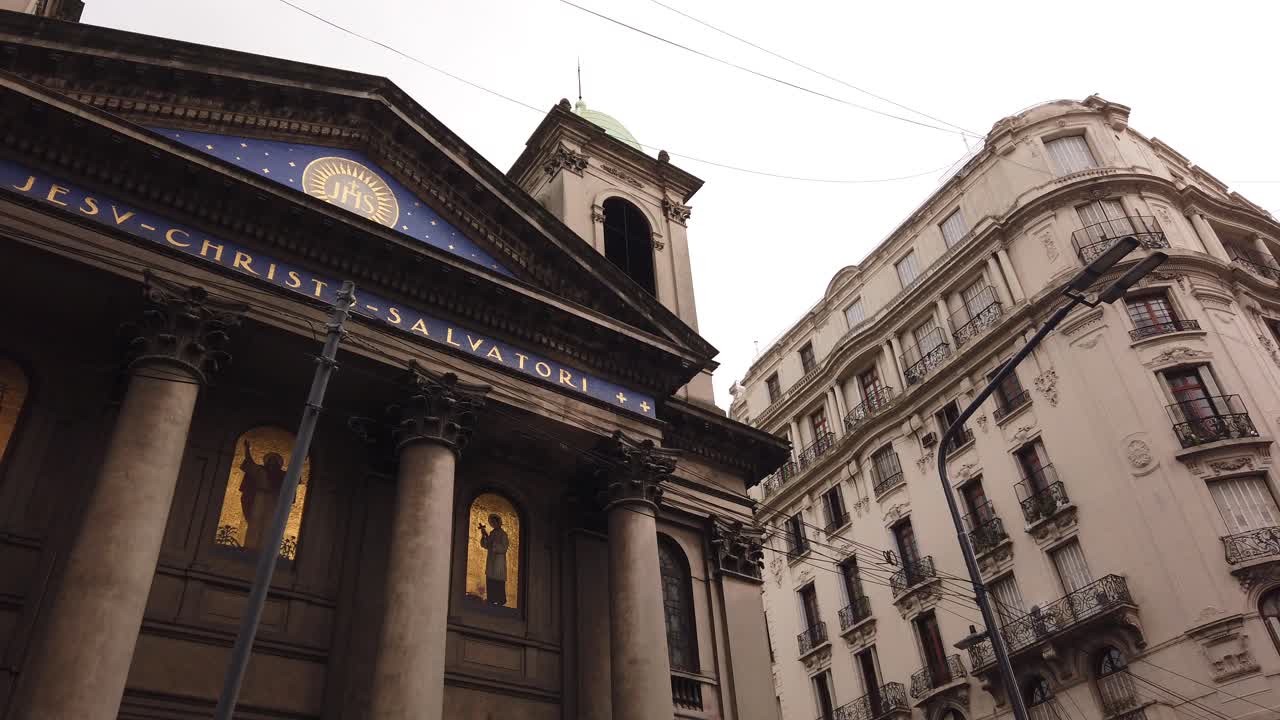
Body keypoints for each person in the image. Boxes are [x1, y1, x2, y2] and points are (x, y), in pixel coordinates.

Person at [240, 440, 287, 551]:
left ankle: (264, 549)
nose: (272, 464)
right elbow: (249, 463)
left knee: (270, 524)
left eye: (274, 462)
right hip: (259, 498)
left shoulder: (282, 475)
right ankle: (250, 547)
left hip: (274, 500)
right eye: (270, 461)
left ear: (278, 464)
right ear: (267, 462)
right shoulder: (260, 471)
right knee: (254, 521)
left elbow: (294, 476)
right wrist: (247, 449)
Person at [478, 513, 509, 606]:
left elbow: (504, 548)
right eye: (492, 522)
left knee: (498, 581)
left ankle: (500, 600)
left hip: (498, 562)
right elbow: (486, 545)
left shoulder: (503, 534)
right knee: (490, 579)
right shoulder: (492, 533)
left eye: (495, 522)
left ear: (498, 522)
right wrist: (484, 536)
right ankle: (491, 599)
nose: (493, 524)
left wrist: (494, 545)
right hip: (491, 561)